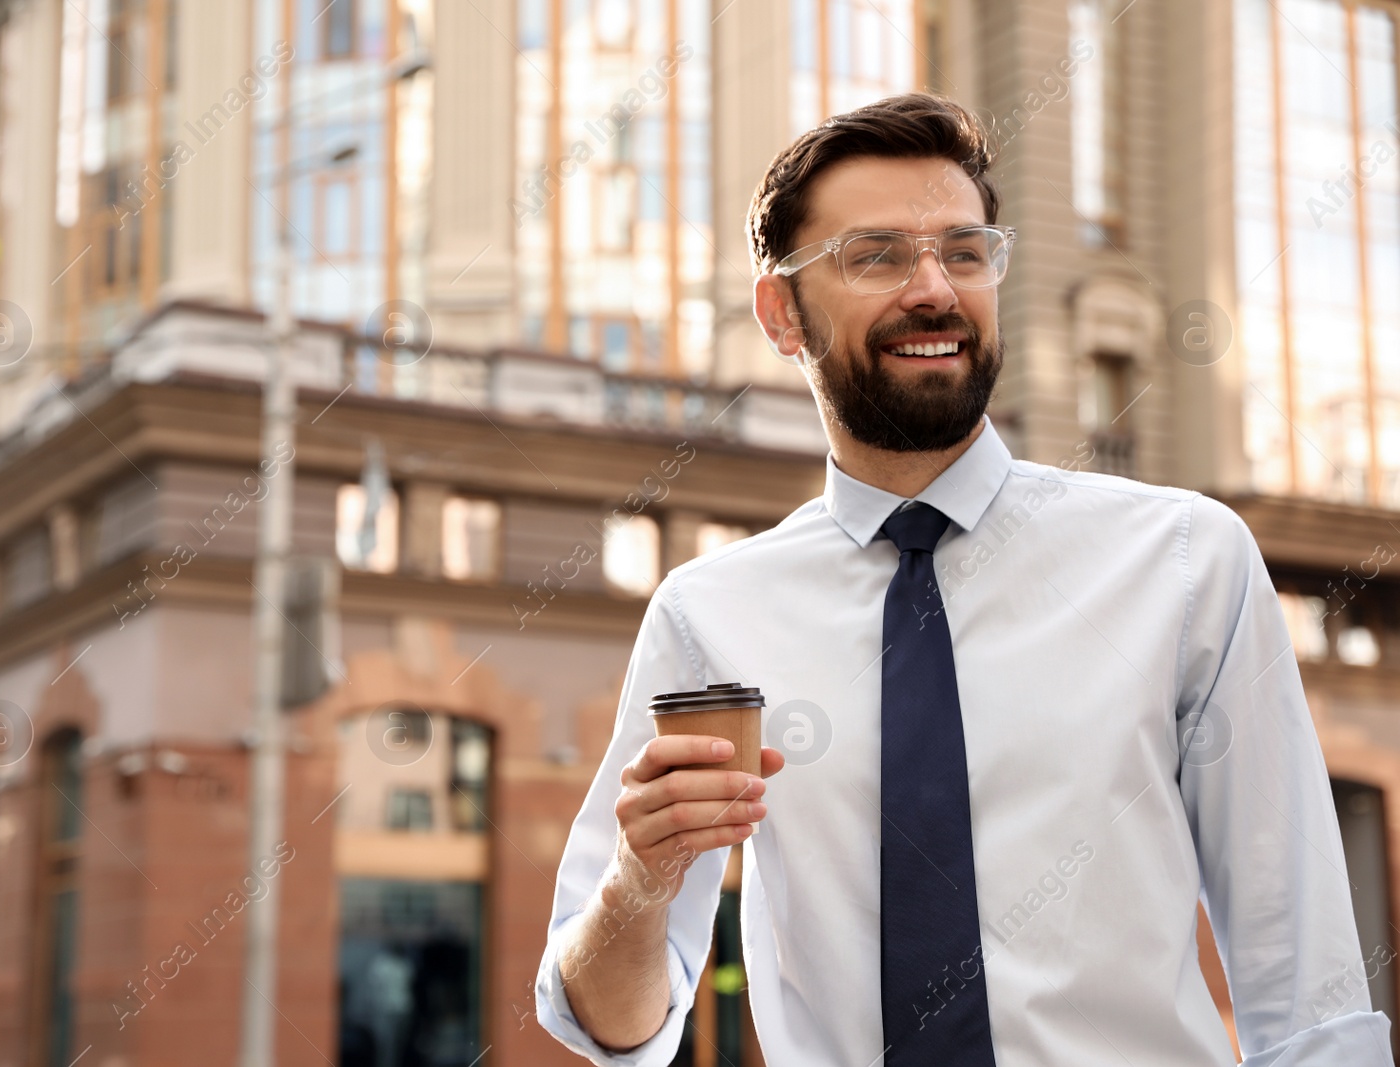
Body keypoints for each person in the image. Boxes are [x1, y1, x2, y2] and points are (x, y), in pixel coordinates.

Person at [534, 93, 1394, 1066]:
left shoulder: (1187, 561)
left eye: (965, 250)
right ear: (780, 311)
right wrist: (639, 880)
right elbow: (615, 1028)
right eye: (878, 256)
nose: (935, 289)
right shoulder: (709, 615)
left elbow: (1308, 989)